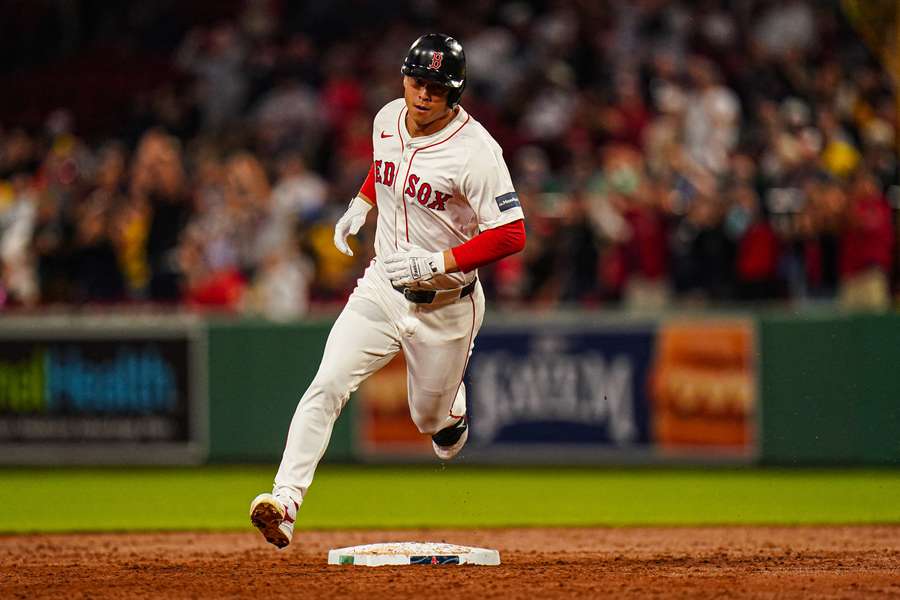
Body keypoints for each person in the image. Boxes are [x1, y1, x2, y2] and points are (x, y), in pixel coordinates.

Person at [249, 33, 526, 548]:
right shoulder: (385, 118)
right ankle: (284, 501)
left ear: (455, 93)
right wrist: (360, 201)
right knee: (327, 384)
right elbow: (386, 167)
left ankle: (451, 415)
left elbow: (513, 232)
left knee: (429, 420)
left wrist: (439, 260)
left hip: (446, 304)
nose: (422, 94)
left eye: (436, 88)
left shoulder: (478, 153)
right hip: (382, 286)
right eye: (416, 81)